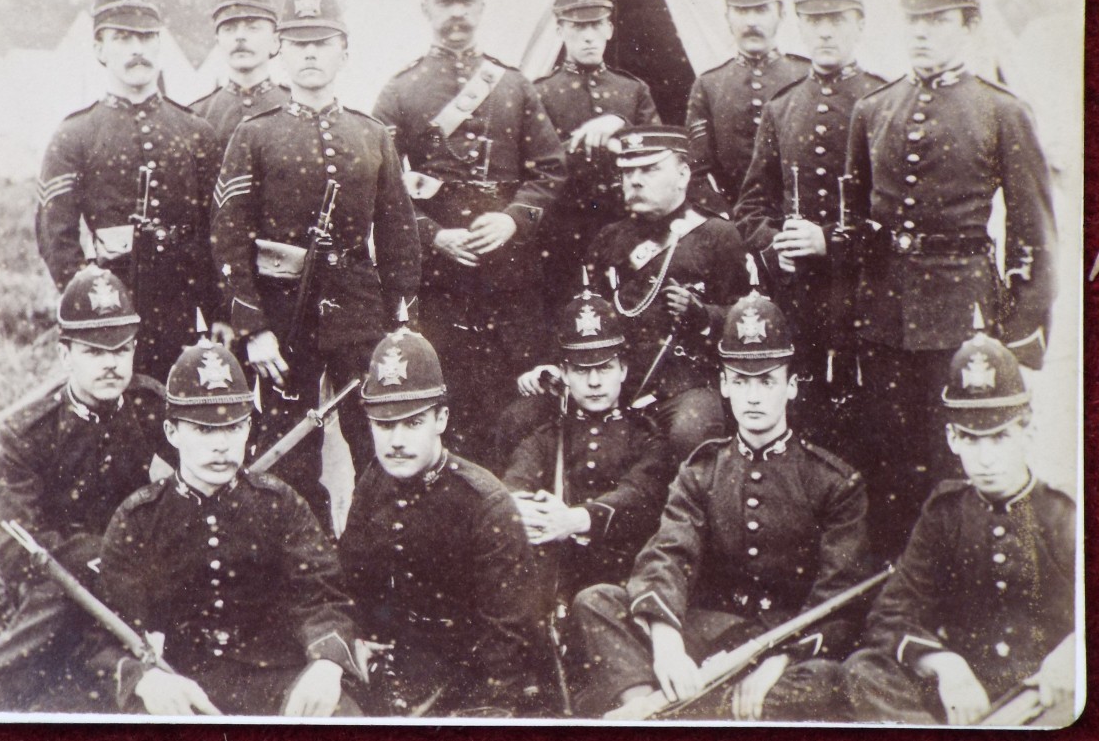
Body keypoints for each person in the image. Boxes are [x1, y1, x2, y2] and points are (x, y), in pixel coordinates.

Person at [569, 292, 872, 721]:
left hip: (785, 642)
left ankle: (668, 709)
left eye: (767, 381)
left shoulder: (833, 482)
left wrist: (777, 660)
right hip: (707, 632)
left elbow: (838, 599)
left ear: (791, 385)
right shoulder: (702, 470)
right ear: (724, 385)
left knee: (828, 681)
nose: (753, 397)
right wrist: (669, 645)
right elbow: (669, 554)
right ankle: (649, 707)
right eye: (741, 381)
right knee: (596, 601)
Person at [844, 0, 1056, 556]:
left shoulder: (1001, 111)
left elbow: (1033, 229)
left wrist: (1016, 335)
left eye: (937, 20)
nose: (920, 32)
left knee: (957, 460)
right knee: (889, 460)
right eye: (913, 19)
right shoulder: (874, 109)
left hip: (963, 315)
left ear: (969, 25)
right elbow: (857, 223)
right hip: (884, 317)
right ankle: (891, 594)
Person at [211, 0, 421, 531]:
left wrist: (398, 317)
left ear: (344, 53)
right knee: (290, 442)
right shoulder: (255, 135)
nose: (309, 54)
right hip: (285, 315)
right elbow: (229, 238)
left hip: (358, 311)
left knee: (375, 434)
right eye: (298, 42)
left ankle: (376, 555)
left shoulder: (372, 135)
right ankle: (306, 560)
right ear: (279, 50)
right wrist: (253, 328)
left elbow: (398, 234)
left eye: (322, 42)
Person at [372, 0, 567, 462]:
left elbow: (551, 171)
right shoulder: (400, 92)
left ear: (481, 6)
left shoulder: (515, 87)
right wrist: (433, 236)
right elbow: (380, 193)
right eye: (445, 1)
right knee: (447, 418)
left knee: (520, 418)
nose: (456, 13)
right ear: (425, 7)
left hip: (512, 284)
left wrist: (511, 220)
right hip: (441, 291)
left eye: (466, 1)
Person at [95, 338, 363, 716]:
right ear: (172, 433)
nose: (221, 445)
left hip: (278, 681)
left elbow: (322, 598)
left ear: (249, 428)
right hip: (179, 683)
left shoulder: (280, 505)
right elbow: (106, 630)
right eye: (204, 430)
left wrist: (326, 664)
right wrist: (146, 679)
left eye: (233, 427)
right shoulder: (139, 519)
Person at [843, 329, 1075, 725]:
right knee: (864, 671)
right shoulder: (946, 513)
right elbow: (891, 614)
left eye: (1000, 436)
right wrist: (945, 665)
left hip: (1047, 692)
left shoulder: (1063, 513)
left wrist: (1075, 650)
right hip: (970, 695)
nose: (985, 458)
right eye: (971, 438)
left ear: (1027, 430)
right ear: (952, 438)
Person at [0, 267, 173, 711]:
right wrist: (102, 559)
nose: (111, 363)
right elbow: (17, 554)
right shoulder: (26, 433)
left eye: (122, 350)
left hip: (151, 582)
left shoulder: (155, 409)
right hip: (64, 595)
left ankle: (2, 678)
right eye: (93, 351)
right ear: (65, 355)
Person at [338, 329, 547, 716]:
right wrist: (356, 638)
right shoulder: (374, 480)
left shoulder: (484, 502)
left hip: (471, 677)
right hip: (393, 665)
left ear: (442, 419)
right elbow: (351, 575)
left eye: (412, 423)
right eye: (383, 425)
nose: (396, 440)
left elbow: (508, 638)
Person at [733, 0, 886, 451]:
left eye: (837, 19)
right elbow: (750, 208)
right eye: (815, 20)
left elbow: (896, 216)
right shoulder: (782, 108)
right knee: (806, 422)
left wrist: (830, 242)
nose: (825, 32)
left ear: (860, 23)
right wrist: (777, 244)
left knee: (870, 427)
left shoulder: (883, 100)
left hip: (868, 296)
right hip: (801, 300)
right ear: (799, 23)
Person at [35, 0, 221, 379]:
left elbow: (217, 232)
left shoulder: (195, 132)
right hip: (109, 317)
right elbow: (56, 235)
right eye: (122, 38)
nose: (137, 49)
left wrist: (219, 309)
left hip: (182, 311)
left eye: (147, 37)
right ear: (99, 49)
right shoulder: (75, 135)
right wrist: (93, 310)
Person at [581, 126, 749, 464]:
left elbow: (746, 319)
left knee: (692, 429)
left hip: (687, 382)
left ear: (683, 174)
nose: (635, 181)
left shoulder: (717, 234)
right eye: (628, 172)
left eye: (650, 169)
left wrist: (703, 315)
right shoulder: (609, 239)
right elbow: (587, 316)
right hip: (618, 384)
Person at [503, 290, 674, 607]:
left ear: (623, 370)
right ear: (565, 374)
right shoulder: (548, 435)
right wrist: (524, 510)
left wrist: (576, 520)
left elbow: (640, 496)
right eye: (581, 370)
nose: (594, 381)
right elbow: (515, 484)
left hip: (623, 583)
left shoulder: (647, 436)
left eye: (605, 368)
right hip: (557, 583)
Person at [534, 0, 661, 315]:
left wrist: (619, 125)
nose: (588, 36)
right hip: (562, 237)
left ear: (609, 28)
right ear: (560, 30)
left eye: (596, 25)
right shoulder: (539, 93)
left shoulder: (633, 91)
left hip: (628, 230)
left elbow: (660, 157)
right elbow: (534, 165)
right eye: (577, 27)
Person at [685, 0, 809, 214]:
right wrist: (730, 223)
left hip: (798, 224)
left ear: (781, 14)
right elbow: (696, 174)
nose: (751, 21)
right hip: (731, 224)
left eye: (762, 9)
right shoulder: (709, 86)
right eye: (741, 10)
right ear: (727, 17)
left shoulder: (806, 76)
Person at [190, 0, 288, 151]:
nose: (240, 36)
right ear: (218, 42)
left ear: (275, 41)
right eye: (229, 28)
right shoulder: (197, 117)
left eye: (253, 27)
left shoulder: (296, 109)